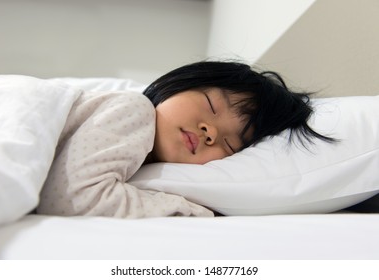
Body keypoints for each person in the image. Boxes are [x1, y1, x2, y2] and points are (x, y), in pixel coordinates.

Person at [37, 60, 335, 218]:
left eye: (230, 144)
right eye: (211, 105)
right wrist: (190, 210)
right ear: (177, 85)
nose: (211, 132)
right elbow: (70, 199)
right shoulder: (134, 109)